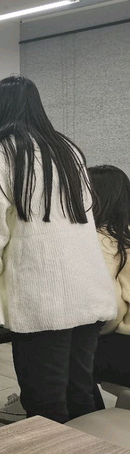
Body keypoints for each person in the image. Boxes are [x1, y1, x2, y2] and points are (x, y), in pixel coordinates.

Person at [0, 76, 116, 424]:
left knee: (45, 404)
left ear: (0, 108)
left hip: (44, 299)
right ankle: (93, 453)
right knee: (80, 393)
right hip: (89, 293)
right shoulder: (68, 149)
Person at [88, 165, 130, 408]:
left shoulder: (101, 239)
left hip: (124, 350)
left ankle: (79, 419)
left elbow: (110, 307)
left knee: (62, 353)